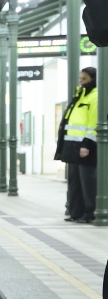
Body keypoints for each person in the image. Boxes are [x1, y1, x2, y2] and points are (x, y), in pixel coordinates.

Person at [55, 67, 98, 223]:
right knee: (74, 181)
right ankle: (76, 212)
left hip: (85, 147)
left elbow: (94, 122)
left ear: (93, 80)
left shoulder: (95, 96)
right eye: (80, 78)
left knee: (87, 183)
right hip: (72, 146)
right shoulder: (80, 95)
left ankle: (89, 213)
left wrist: (87, 144)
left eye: (84, 79)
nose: (81, 81)